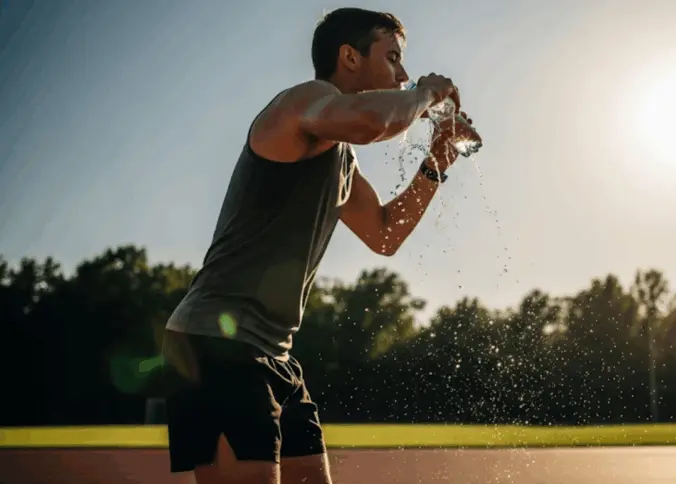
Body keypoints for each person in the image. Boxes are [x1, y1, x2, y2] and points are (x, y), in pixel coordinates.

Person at [159, 7, 480, 484]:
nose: (403, 73)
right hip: (217, 344)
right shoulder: (305, 101)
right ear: (349, 57)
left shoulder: (341, 156)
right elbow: (371, 122)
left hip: (276, 355)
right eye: (392, 57)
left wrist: (438, 158)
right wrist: (427, 93)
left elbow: (385, 234)